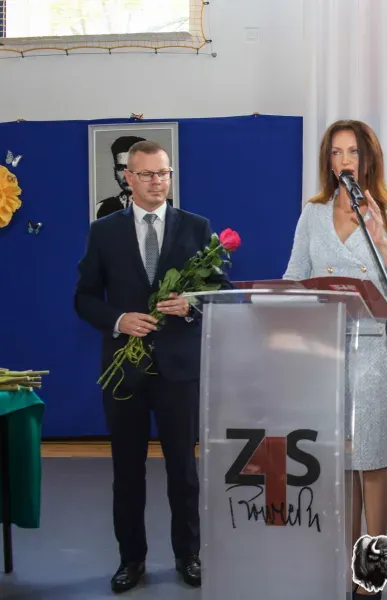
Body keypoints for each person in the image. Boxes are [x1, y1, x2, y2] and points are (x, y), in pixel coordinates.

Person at [75, 140, 225, 593]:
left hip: (179, 369)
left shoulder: (197, 227)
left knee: (183, 469)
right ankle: (131, 560)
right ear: (128, 178)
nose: (157, 182)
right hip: (124, 371)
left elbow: (221, 289)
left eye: (164, 173)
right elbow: (84, 297)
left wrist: (192, 303)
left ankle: (188, 556)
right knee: (127, 471)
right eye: (147, 174)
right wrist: (119, 320)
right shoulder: (104, 232)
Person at [283, 120, 387, 599]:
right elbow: (294, 275)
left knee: (373, 459)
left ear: (368, 159)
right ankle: (348, 567)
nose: (345, 160)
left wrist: (381, 238)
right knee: (341, 460)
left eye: (354, 152)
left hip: (374, 346)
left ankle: (374, 572)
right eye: (337, 152)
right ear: (328, 160)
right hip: (326, 346)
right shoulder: (313, 213)